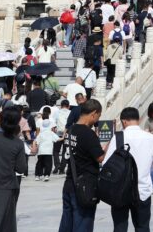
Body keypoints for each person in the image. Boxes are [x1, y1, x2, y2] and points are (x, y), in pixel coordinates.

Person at [103, 106, 153, 232]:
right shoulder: (151, 138)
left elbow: (106, 163)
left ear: (124, 121)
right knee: (142, 227)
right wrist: (146, 168)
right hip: (142, 191)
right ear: (139, 119)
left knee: (120, 227)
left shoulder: (118, 137)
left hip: (120, 191)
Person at [59, 99, 104, 232]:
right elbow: (100, 157)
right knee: (82, 225)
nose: (97, 120)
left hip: (69, 184)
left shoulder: (71, 130)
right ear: (94, 114)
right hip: (85, 187)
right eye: (98, 117)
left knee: (67, 224)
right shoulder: (88, 134)